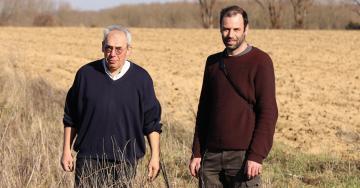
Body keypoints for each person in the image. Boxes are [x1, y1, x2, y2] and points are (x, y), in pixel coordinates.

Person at [60, 25, 162, 187]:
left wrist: (155, 156)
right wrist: (66, 151)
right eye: (108, 48)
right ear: (102, 47)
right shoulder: (85, 75)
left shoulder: (141, 79)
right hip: (88, 159)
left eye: (118, 49)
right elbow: (71, 118)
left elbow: (151, 123)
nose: (112, 54)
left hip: (124, 161)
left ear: (128, 50)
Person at [189, 5, 278, 187]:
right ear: (220, 29)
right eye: (226, 29)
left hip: (243, 158)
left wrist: (256, 155)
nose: (230, 35)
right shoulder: (212, 63)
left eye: (236, 29)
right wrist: (197, 152)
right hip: (211, 157)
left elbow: (268, 111)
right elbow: (204, 110)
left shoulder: (260, 61)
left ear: (246, 29)